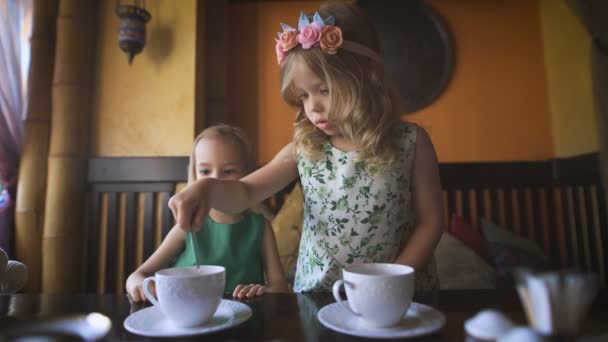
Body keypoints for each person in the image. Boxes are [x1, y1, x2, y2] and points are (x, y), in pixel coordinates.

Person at [169, 2, 444, 296]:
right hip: (318, 296)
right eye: (303, 96)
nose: (313, 106)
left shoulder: (410, 142)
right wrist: (207, 189)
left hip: (398, 294)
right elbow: (245, 193)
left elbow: (431, 223)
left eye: (324, 89)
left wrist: (389, 281)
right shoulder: (304, 148)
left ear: (366, 77)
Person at [126, 124, 288, 301]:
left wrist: (261, 290)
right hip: (188, 314)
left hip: (245, 319)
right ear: (195, 175)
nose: (214, 181)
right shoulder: (187, 226)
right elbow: (138, 274)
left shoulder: (260, 227)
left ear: (249, 176)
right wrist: (139, 284)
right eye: (205, 171)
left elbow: (280, 286)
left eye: (228, 171)